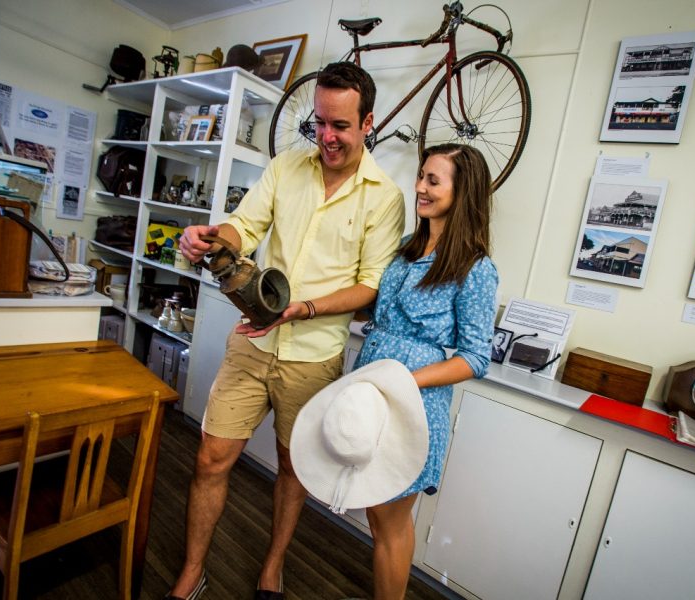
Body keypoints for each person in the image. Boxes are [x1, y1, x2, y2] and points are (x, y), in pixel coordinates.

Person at [166, 61, 405, 600]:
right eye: (318, 122)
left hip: (314, 357)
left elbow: (370, 286)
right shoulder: (285, 168)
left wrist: (305, 307)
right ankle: (191, 571)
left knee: (294, 472)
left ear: (369, 123)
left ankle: (272, 566)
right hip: (253, 343)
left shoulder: (385, 197)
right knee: (210, 458)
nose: (326, 136)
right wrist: (210, 238)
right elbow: (242, 228)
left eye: (340, 125)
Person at [352, 142, 498, 599]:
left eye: (433, 180)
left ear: (463, 191)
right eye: (421, 176)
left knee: (391, 518)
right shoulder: (404, 249)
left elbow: (476, 357)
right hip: (372, 394)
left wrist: (403, 382)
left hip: (413, 404)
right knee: (377, 512)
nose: (419, 187)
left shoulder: (476, 268)